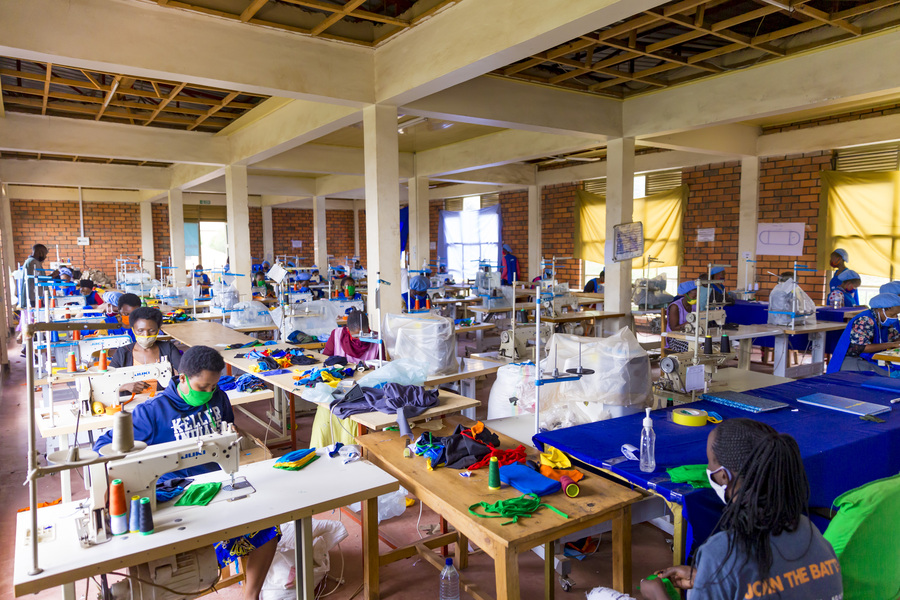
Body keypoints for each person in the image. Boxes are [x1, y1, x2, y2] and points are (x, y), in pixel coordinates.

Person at [93, 346, 277, 599]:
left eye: (213, 386)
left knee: (267, 527)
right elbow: (102, 446)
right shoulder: (152, 412)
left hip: (215, 485)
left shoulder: (218, 397)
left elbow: (226, 434)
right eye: (203, 387)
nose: (209, 393)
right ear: (182, 378)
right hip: (172, 494)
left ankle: (251, 596)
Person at [640, 418, 842, 600]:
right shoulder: (810, 532)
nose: (708, 470)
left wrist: (659, 596)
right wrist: (707, 576)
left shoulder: (721, 551)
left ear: (723, 476)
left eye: (710, 462)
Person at [109, 307, 182, 394]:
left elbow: (184, 373)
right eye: (140, 330)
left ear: (158, 330)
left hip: (161, 401)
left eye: (152, 330)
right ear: (133, 330)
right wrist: (125, 386)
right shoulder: (122, 353)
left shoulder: (168, 348)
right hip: (130, 402)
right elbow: (107, 382)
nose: (146, 335)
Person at [827, 292, 900, 374]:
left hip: (869, 359)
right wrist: (892, 344)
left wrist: (896, 342)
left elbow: (895, 337)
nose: (895, 318)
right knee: (891, 377)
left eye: (897, 315)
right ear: (880, 309)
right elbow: (861, 347)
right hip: (852, 361)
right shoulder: (865, 320)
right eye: (893, 314)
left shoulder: (883, 321)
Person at [666, 281, 697, 353]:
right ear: (686, 294)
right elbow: (674, 328)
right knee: (693, 349)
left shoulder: (695, 306)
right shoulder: (675, 307)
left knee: (709, 346)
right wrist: (690, 322)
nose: (696, 298)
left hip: (690, 336)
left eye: (697, 296)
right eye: (694, 296)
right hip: (675, 339)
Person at [18, 243, 48, 309]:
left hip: (33, 296)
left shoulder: (30, 261)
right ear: (40, 252)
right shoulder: (33, 262)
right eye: (45, 254)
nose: (45, 257)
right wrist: (53, 275)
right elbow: (38, 279)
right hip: (34, 297)